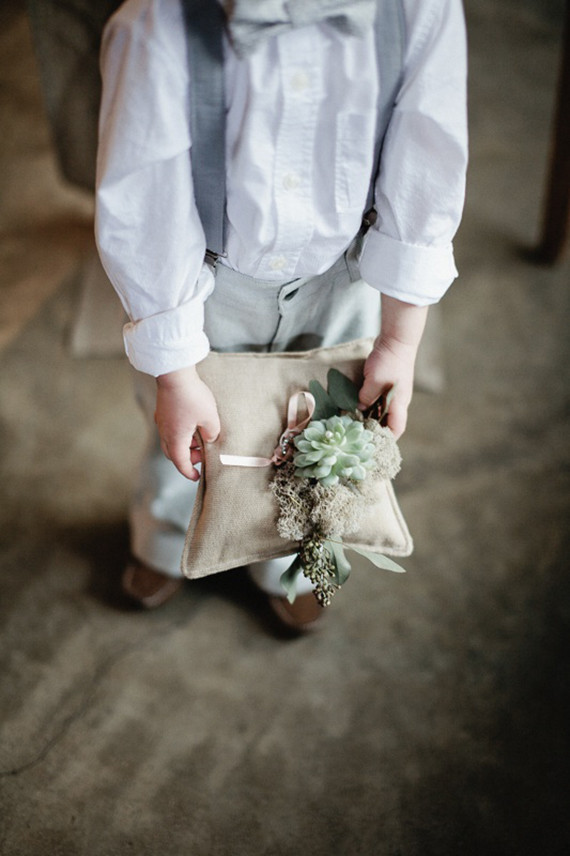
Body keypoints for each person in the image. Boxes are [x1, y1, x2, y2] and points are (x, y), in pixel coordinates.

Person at [95, 0, 468, 631]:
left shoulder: (417, 11)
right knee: (187, 436)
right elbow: (145, 203)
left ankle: (287, 563)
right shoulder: (157, 23)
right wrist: (176, 373)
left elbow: (427, 163)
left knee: (319, 444)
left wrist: (400, 341)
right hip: (202, 284)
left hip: (345, 277)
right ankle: (167, 538)